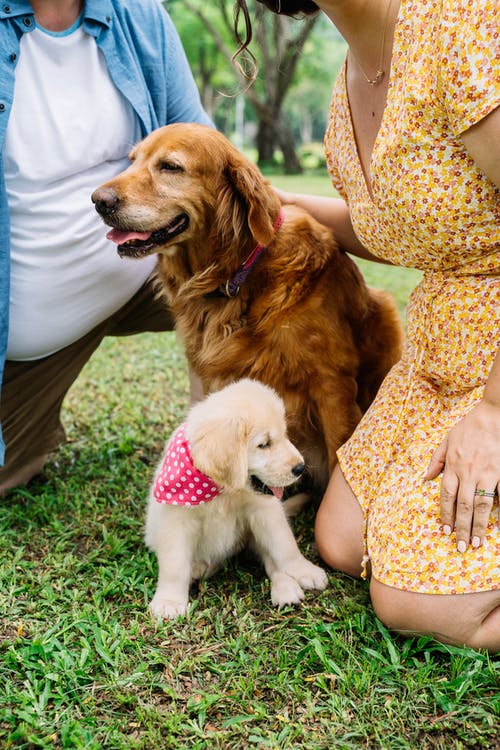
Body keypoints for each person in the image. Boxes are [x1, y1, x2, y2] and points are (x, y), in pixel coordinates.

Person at [234, 0, 500, 651]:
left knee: (418, 601)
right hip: (437, 359)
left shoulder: (459, 22)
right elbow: (420, 231)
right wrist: (289, 204)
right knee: (342, 541)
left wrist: (493, 411)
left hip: (494, 368)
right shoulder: (347, 81)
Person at [0, 0, 213, 494]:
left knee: (273, 263)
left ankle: (220, 448)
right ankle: (34, 421)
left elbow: (205, 143)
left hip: (156, 269)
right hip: (30, 323)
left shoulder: (140, 18)